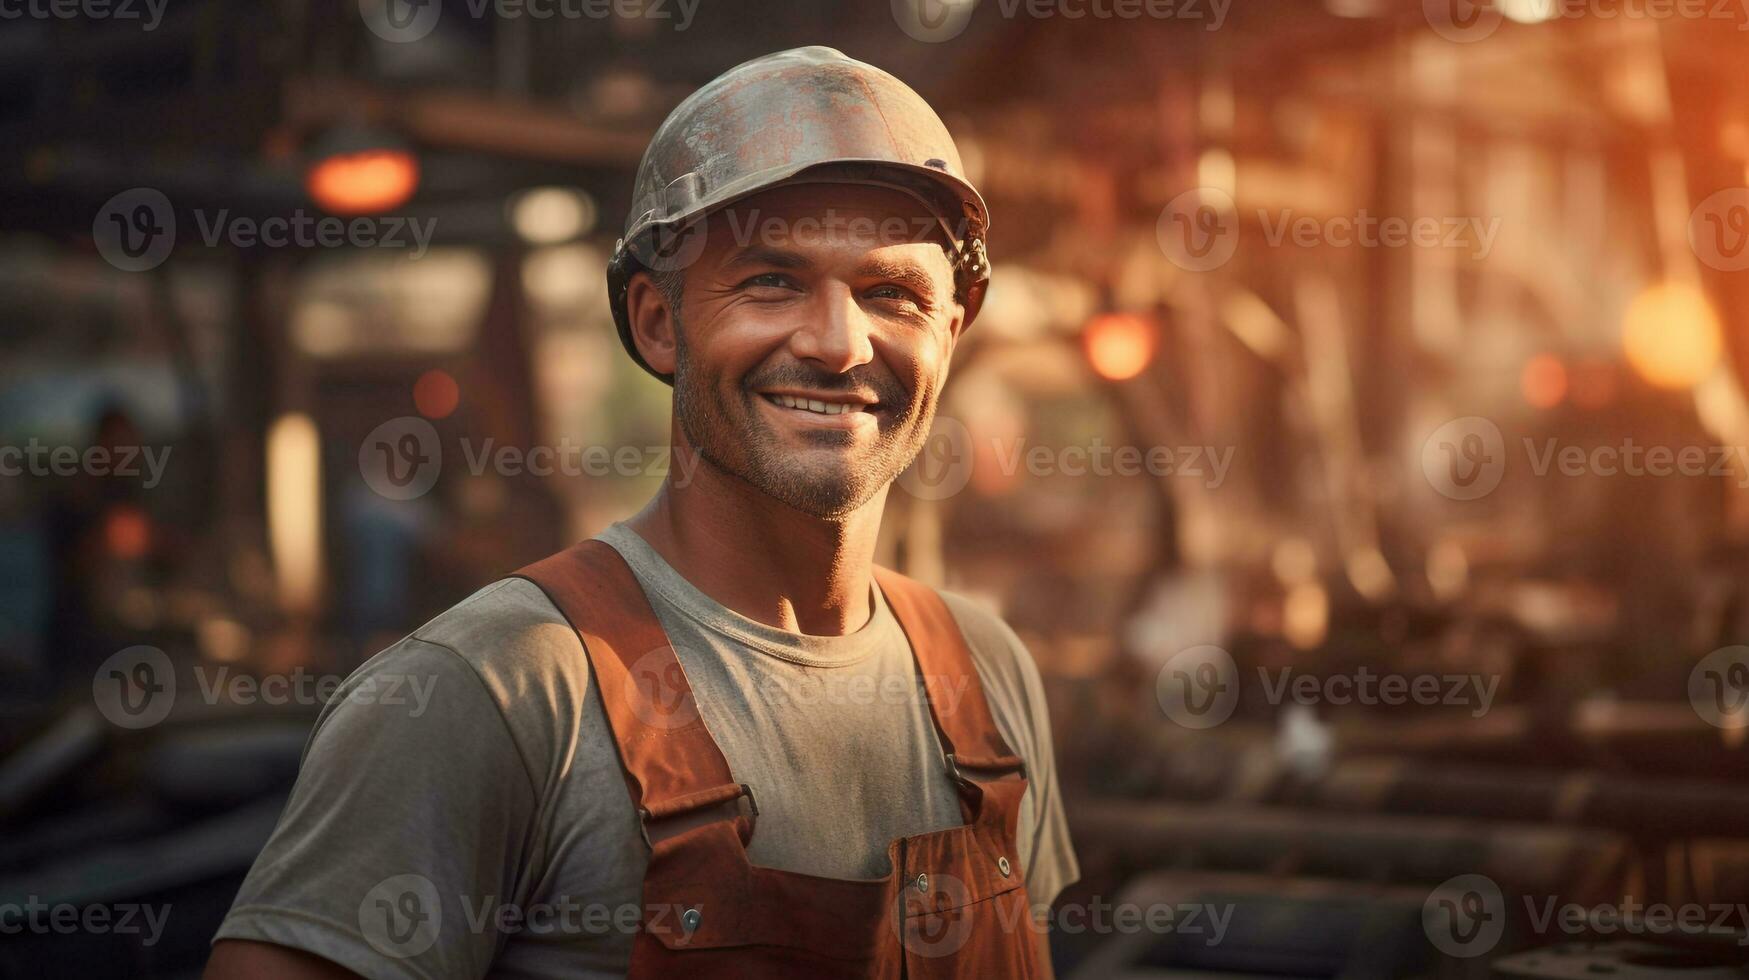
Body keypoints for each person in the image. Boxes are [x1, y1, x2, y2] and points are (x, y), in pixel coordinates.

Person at [205, 46, 1077, 979]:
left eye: (891, 293)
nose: (837, 342)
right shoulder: (496, 690)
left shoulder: (983, 676)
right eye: (770, 281)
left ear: (949, 330)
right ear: (658, 323)